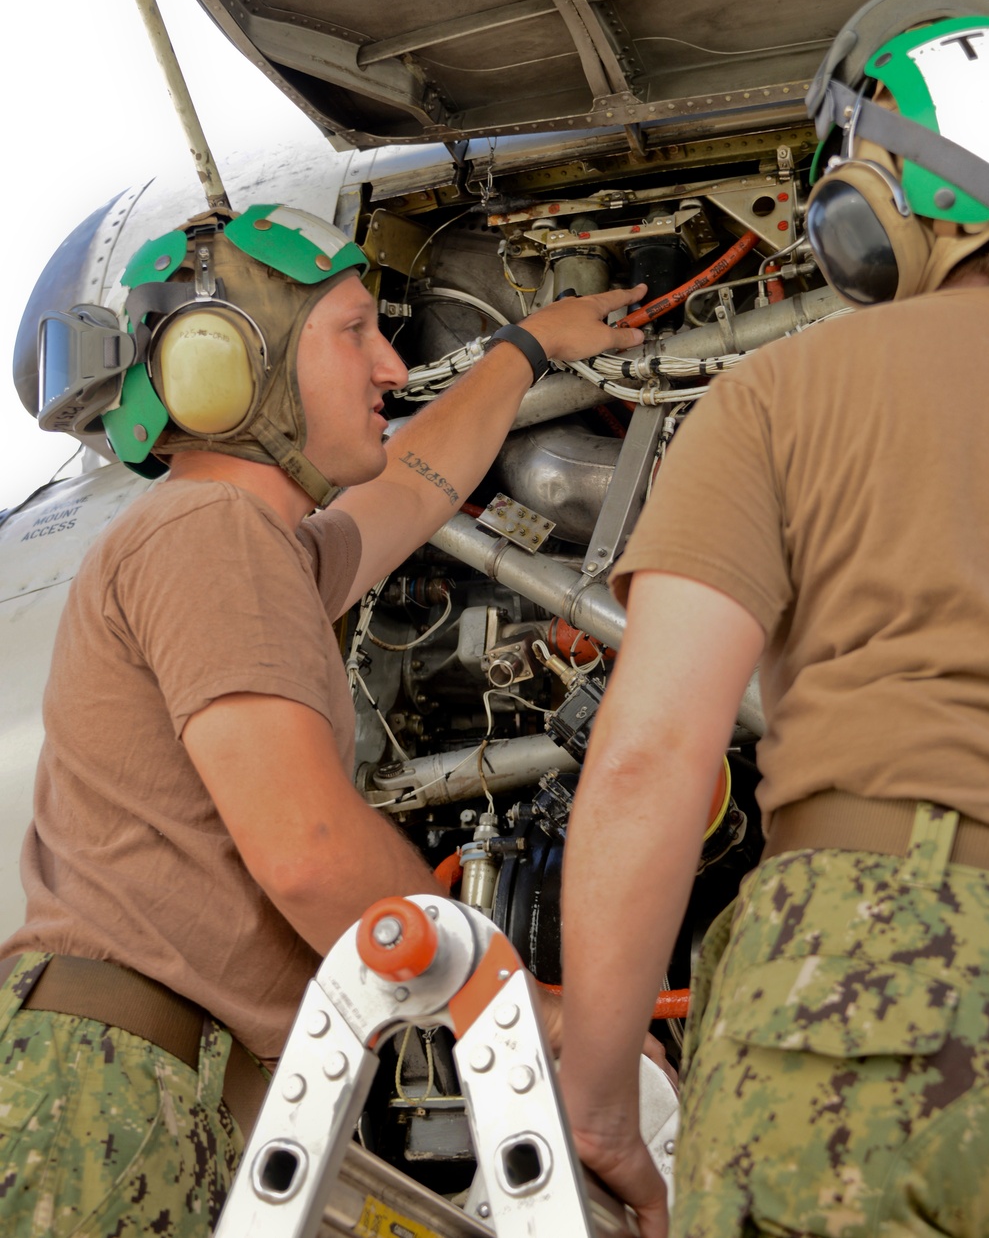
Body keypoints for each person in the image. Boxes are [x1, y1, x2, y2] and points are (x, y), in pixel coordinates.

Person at [0, 200, 645, 1235]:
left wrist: (525, 351)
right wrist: (522, 1010)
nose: (390, 368)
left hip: (170, 1090)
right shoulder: (208, 531)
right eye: (353, 333)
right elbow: (305, 847)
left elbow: (417, 483)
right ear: (229, 367)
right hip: (114, 1090)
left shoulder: (265, 552)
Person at [557, 0, 989, 1235]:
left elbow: (650, 758)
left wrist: (598, 1105)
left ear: (888, 188)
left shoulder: (779, 394)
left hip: (872, 970)